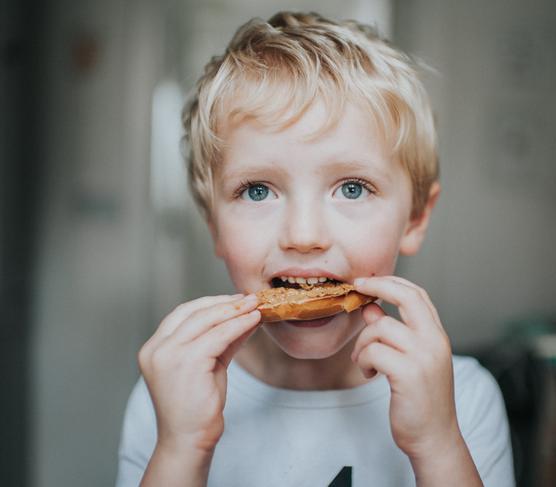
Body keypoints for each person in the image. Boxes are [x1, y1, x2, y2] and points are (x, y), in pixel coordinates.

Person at [116, 11, 514, 487]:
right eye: (258, 190)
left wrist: (436, 444)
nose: (304, 235)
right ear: (213, 225)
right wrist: (182, 447)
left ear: (415, 218)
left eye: (351, 188)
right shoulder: (170, 394)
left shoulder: (462, 399)